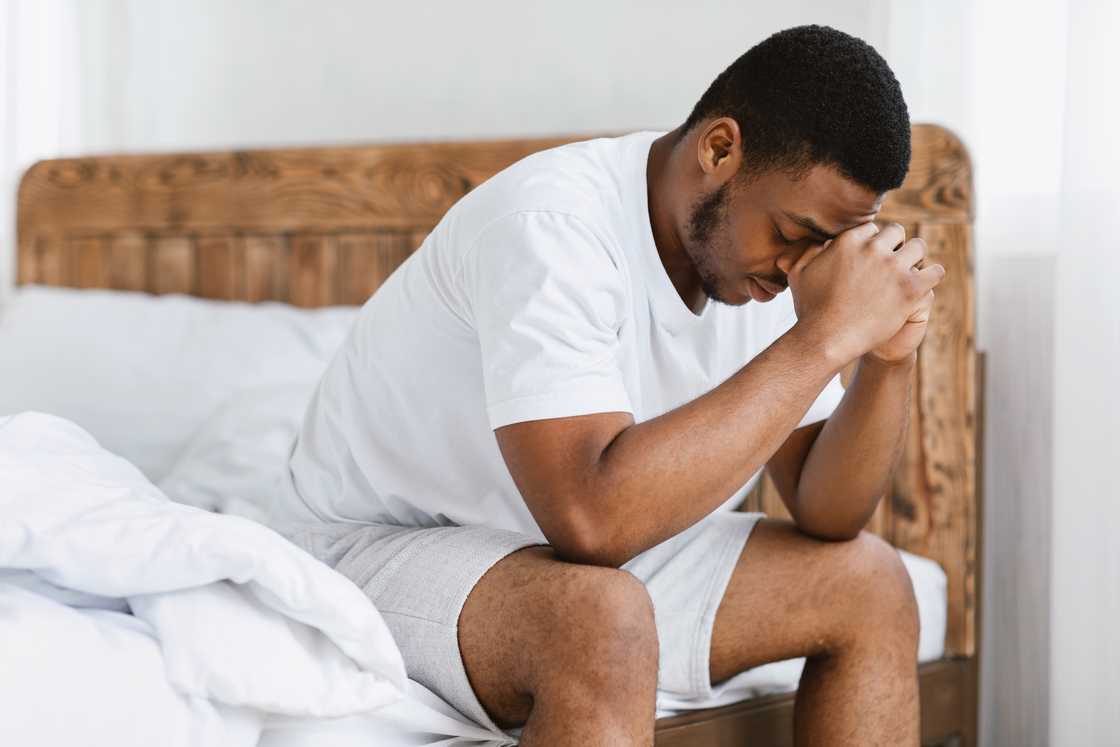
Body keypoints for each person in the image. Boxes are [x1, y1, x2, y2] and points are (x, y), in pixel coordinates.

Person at [269, 24, 943, 746]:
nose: (797, 269)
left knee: (871, 582)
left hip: (550, 559)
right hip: (373, 551)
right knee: (600, 621)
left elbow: (825, 507)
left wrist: (884, 357)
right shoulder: (552, 225)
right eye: (792, 231)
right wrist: (825, 337)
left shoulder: (757, 268)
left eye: (826, 245)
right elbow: (591, 521)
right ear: (719, 150)